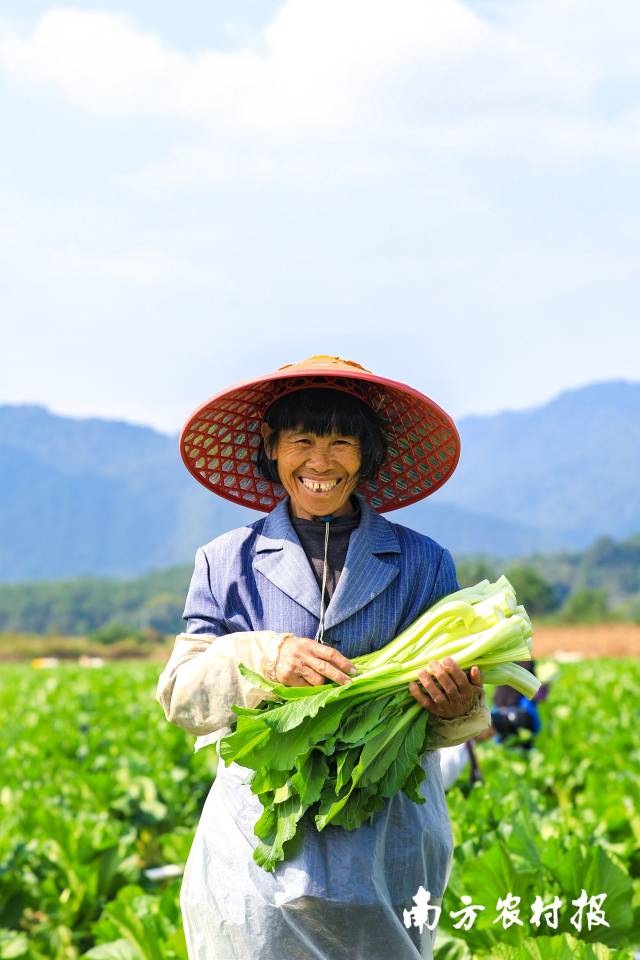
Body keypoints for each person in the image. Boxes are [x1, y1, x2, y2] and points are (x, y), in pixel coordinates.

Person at [157, 355, 491, 960]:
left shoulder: (423, 562)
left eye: (341, 441)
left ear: (365, 452)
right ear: (271, 447)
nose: (320, 461)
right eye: (302, 440)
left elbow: (451, 718)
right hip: (258, 842)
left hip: (387, 836)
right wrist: (263, 658)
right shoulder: (225, 560)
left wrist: (458, 704)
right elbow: (182, 693)